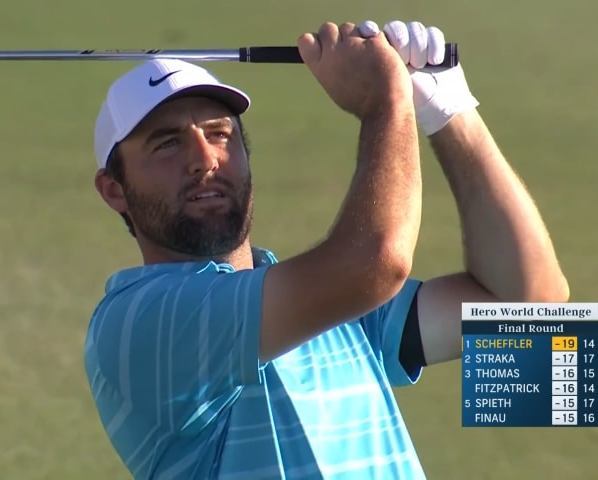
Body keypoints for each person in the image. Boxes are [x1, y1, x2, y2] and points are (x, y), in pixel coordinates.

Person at [83, 18, 569, 480]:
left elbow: (534, 309)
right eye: (167, 145)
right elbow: (377, 264)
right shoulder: (134, 325)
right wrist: (385, 102)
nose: (205, 160)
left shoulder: (332, 306)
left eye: (221, 134)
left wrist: (448, 110)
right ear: (113, 190)